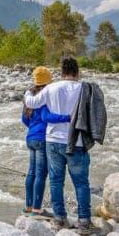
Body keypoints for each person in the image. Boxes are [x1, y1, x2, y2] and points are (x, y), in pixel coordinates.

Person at [24, 57, 97, 234]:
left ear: (61, 72)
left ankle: (59, 219)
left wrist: (27, 92)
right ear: (77, 72)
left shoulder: (51, 87)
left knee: (56, 182)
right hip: (76, 142)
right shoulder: (84, 88)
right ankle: (84, 221)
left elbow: (31, 103)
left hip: (52, 141)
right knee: (81, 183)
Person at [21, 66, 71, 218]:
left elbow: (25, 119)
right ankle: (37, 209)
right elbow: (46, 117)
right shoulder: (45, 97)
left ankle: (28, 207)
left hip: (31, 138)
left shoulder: (30, 98)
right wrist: (68, 117)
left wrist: (34, 129)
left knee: (31, 172)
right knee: (41, 174)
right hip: (43, 139)